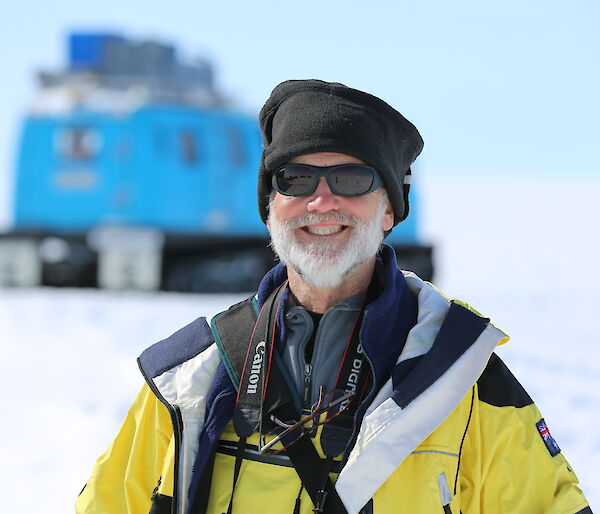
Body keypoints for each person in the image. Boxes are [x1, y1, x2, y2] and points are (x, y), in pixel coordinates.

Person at [76, 80, 592, 514]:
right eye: (295, 178)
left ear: (390, 211)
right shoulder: (188, 382)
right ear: (270, 208)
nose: (322, 201)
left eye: (350, 178)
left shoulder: (462, 379)